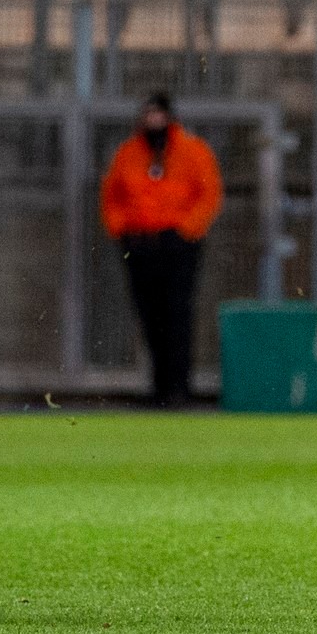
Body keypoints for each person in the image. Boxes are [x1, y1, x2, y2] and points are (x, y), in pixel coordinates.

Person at [99, 92, 223, 407]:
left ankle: (179, 387)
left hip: (178, 244)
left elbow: (208, 194)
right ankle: (158, 386)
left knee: (178, 313)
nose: (154, 121)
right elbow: (112, 196)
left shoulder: (192, 151)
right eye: (149, 114)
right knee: (149, 315)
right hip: (140, 244)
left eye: (159, 114)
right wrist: (122, 231)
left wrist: (186, 231)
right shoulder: (129, 153)